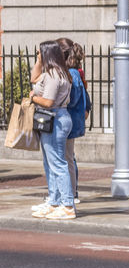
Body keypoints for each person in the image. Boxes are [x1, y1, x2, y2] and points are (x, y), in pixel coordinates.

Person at [28, 41, 75, 220]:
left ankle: (67, 205)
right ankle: (55, 201)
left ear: (47, 53)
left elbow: (48, 101)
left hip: (55, 118)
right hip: (54, 118)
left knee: (57, 163)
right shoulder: (54, 72)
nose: (38, 54)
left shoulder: (54, 75)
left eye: (40, 53)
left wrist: (33, 97)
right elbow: (34, 79)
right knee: (51, 163)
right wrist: (39, 61)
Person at [57, 38, 89, 204]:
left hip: (68, 120)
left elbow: (74, 98)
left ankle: (70, 192)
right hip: (73, 119)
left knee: (67, 158)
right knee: (68, 157)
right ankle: (70, 192)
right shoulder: (75, 72)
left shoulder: (73, 74)